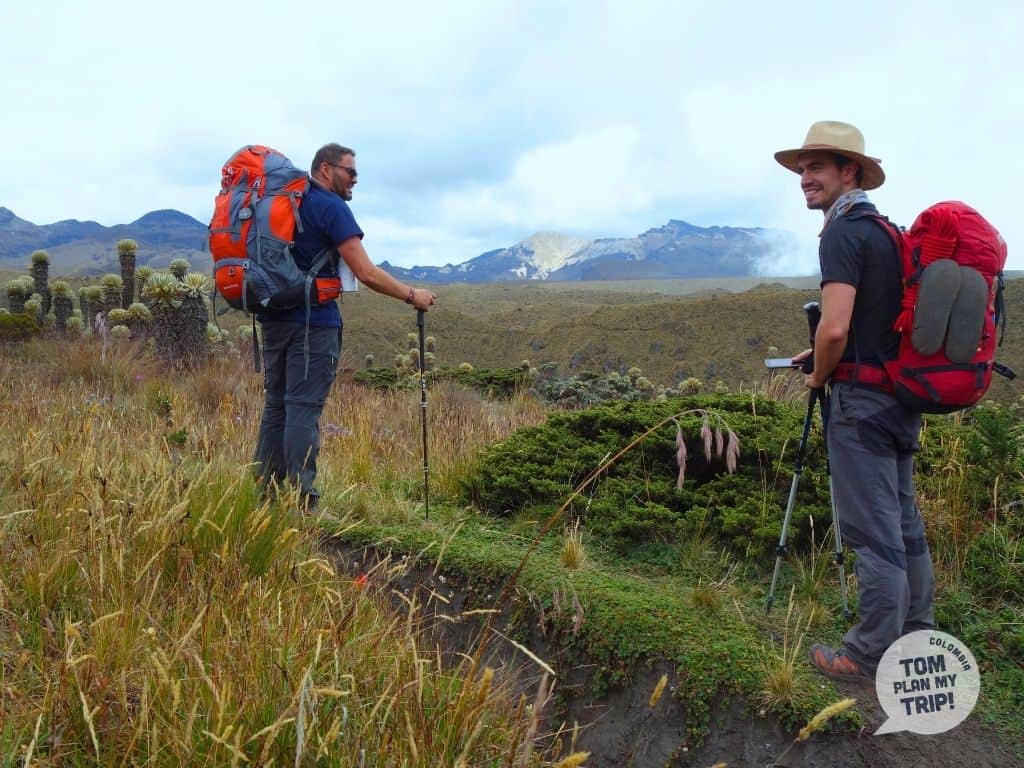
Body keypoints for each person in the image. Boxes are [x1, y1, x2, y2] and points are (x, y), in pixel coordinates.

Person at [775, 121, 935, 681]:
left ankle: (867, 655)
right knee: (904, 522)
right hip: (898, 399)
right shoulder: (886, 232)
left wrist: (819, 373)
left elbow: (837, 327)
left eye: (816, 167)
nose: (805, 179)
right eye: (802, 169)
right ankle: (918, 634)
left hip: (859, 406)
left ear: (850, 172)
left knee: (872, 531)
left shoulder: (841, 234)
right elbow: (871, 323)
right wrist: (819, 351)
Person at [254, 143, 437, 510]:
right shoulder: (331, 207)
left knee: (277, 407)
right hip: (313, 326)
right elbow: (366, 272)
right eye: (350, 171)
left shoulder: (289, 200)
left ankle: (265, 497)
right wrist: (411, 294)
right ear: (326, 169)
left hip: (274, 319)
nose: (355, 179)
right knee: (303, 409)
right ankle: (303, 502)